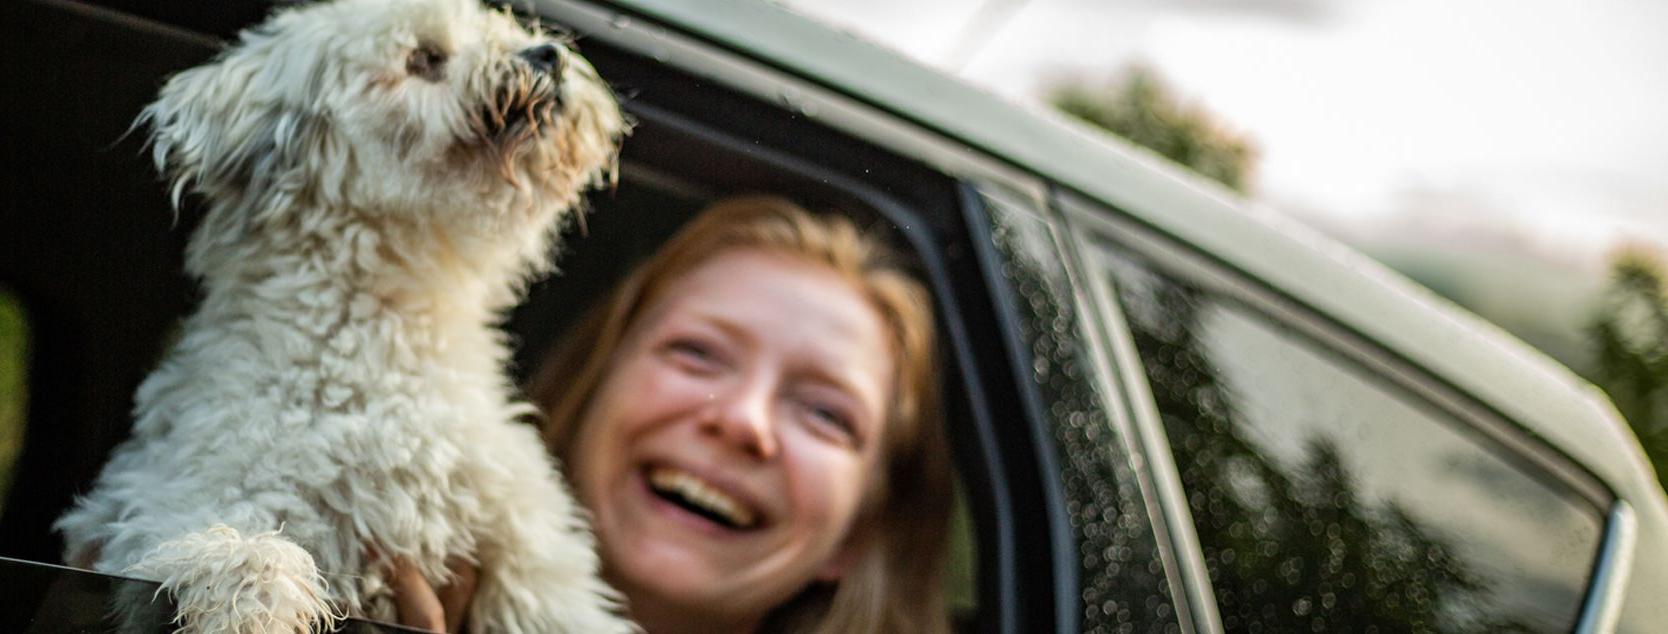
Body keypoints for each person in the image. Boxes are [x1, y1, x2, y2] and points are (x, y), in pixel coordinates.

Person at [389, 195, 956, 633]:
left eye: (826, 414)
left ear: (857, 533)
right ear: (590, 388)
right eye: (697, 354)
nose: (743, 420)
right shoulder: (326, 580)